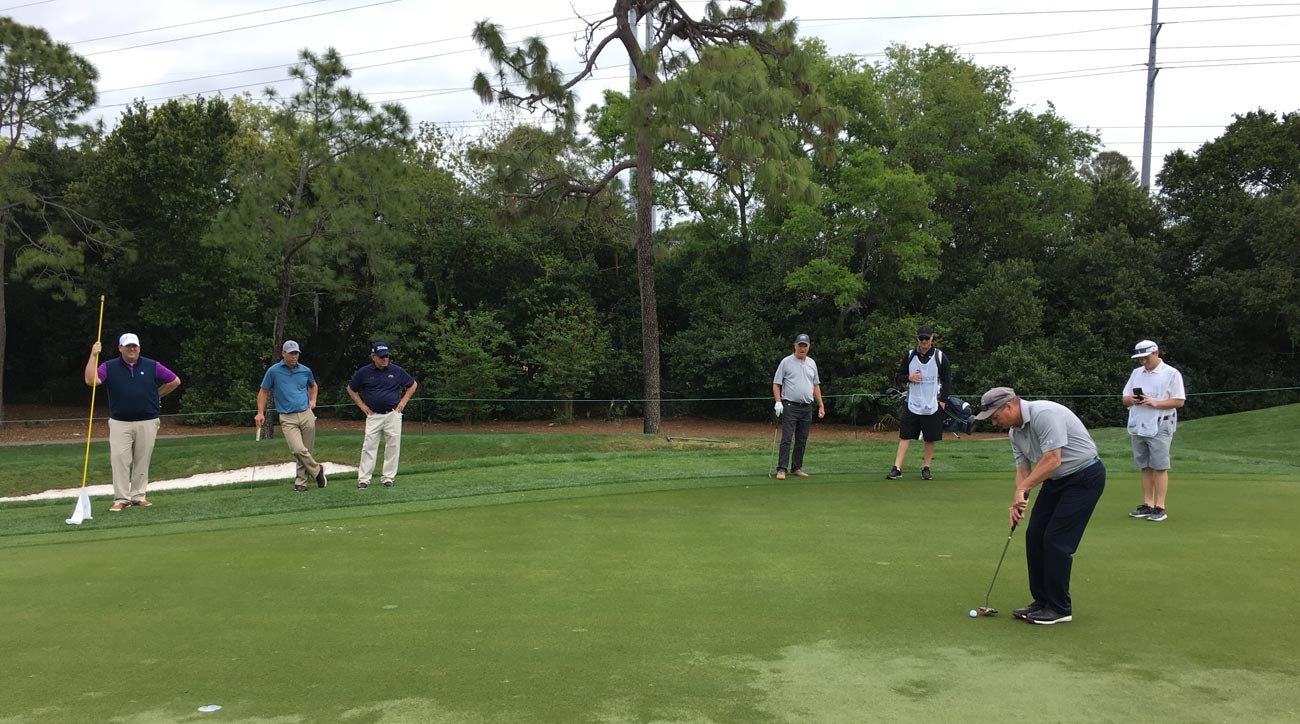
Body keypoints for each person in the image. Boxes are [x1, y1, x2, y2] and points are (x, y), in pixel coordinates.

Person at [973, 387, 1105, 625]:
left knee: (1056, 541)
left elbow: (1053, 459)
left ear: (1009, 406)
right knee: (1034, 535)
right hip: (1055, 481)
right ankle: (1042, 601)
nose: (993, 422)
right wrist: (1019, 500)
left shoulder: (1044, 413)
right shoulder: (1015, 433)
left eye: (994, 416)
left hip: (1084, 477)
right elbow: (1023, 470)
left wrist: (1022, 489)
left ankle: (1059, 607)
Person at [83, 333, 182, 511]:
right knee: (120, 459)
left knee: (142, 460)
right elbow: (91, 381)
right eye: (127, 346)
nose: (131, 349)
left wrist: (156, 395)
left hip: (148, 421)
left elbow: (174, 381)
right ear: (120, 348)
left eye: (134, 346)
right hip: (120, 422)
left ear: (139, 348)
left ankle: (138, 496)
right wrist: (93, 355)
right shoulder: (110, 366)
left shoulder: (151, 365)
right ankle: (121, 498)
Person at [1122, 339, 1186, 522]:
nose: (1143, 361)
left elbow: (1179, 401)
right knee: (1145, 466)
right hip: (1139, 423)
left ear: (1156, 353)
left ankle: (1160, 507)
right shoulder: (1137, 373)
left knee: (1159, 466)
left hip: (1161, 423)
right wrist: (1133, 400)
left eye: (1146, 358)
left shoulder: (1171, 373)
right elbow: (1124, 399)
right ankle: (1147, 504)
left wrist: (1154, 402)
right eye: (1140, 358)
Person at [256, 340, 327, 493]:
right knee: (297, 449)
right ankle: (317, 470)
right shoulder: (273, 371)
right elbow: (263, 391)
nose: (294, 356)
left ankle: (301, 482)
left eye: (296, 353)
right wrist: (260, 412)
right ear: (283, 354)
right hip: (287, 417)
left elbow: (313, 386)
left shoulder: (305, 370)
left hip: (306, 413)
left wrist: (313, 400)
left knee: (306, 449)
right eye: (291, 353)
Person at [346, 341, 418, 489]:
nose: (385, 359)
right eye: (381, 357)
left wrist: (403, 402)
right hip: (374, 415)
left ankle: (388, 477)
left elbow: (412, 384)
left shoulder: (396, 371)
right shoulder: (364, 372)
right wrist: (362, 406)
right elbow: (351, 389)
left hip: (392, 414)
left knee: (393, 445)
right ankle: (364, 479)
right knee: (369, 446)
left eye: (386, 356)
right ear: (373, 357)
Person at [886, 325, 951, 481]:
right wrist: (909, 378)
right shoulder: (909, 356)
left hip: (932, 404)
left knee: (930, 438)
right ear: (917, 339)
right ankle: (897, 468)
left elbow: (947, 380)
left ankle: (926, 467)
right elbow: (898, 377)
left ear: (932, 338)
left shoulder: (940, 357)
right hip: (912, 403)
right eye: (921, 338)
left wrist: (943, 401)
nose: (924, 341)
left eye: (926, 338)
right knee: (905, 436)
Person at [771, 333, 826, 481]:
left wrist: (821, 405)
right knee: (787, 438)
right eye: (800, 345)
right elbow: (776, 384)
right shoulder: (786, 362)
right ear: (795, 346)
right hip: (790, 405)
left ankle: (796, 467)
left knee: (802, 439)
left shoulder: (811, 363)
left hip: (807, 406)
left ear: (808, 347)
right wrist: (778, 402)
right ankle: (782, 469)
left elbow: (815, 386)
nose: (802, 348)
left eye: (805, 346)